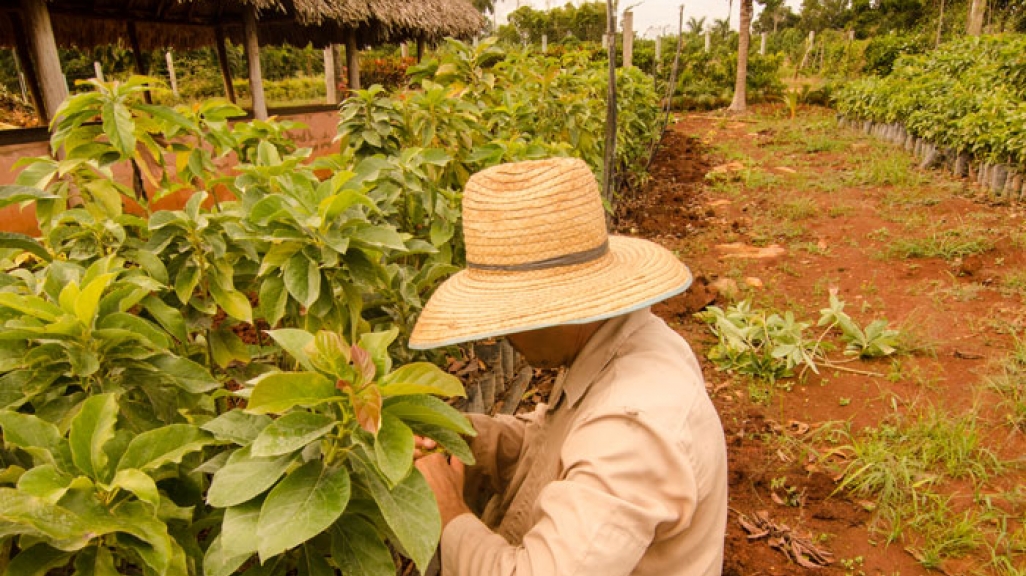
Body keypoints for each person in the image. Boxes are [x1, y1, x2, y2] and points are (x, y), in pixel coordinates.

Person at [409, 157, 727, 576]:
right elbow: (550, 443)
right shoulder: (615, 346)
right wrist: (468, 441)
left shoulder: (632, 427)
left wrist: (449, 511)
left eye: (508, 318)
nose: (502, 335)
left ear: (556, 309)